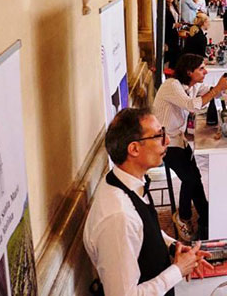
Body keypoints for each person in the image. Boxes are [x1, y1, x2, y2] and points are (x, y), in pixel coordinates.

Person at [83, 108, 214, 296]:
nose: (167, 141)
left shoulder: (127, 181)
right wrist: (178, 270)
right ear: (134, 149)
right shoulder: (119, 218)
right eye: (159, 136)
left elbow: (145, 228)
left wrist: (173, 246)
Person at [152, 55, 227, 240]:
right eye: (201, 69)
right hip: (162, 142)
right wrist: (217, 90)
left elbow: (215, 92)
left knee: (195, 178)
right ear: (189, 72)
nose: (205, 72)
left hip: (178, 139)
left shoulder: (192, 86)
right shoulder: (171, 85)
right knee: (190, 179)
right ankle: (182, 217)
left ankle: (206, 218)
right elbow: (192, 105)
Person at [164, 0, 181, 67]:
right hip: (169, 32)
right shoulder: (165, 8)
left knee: (176, 51)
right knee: (171, 51)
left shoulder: (174, 6)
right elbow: (165, 22)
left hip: (175, 32)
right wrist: (174, 25)